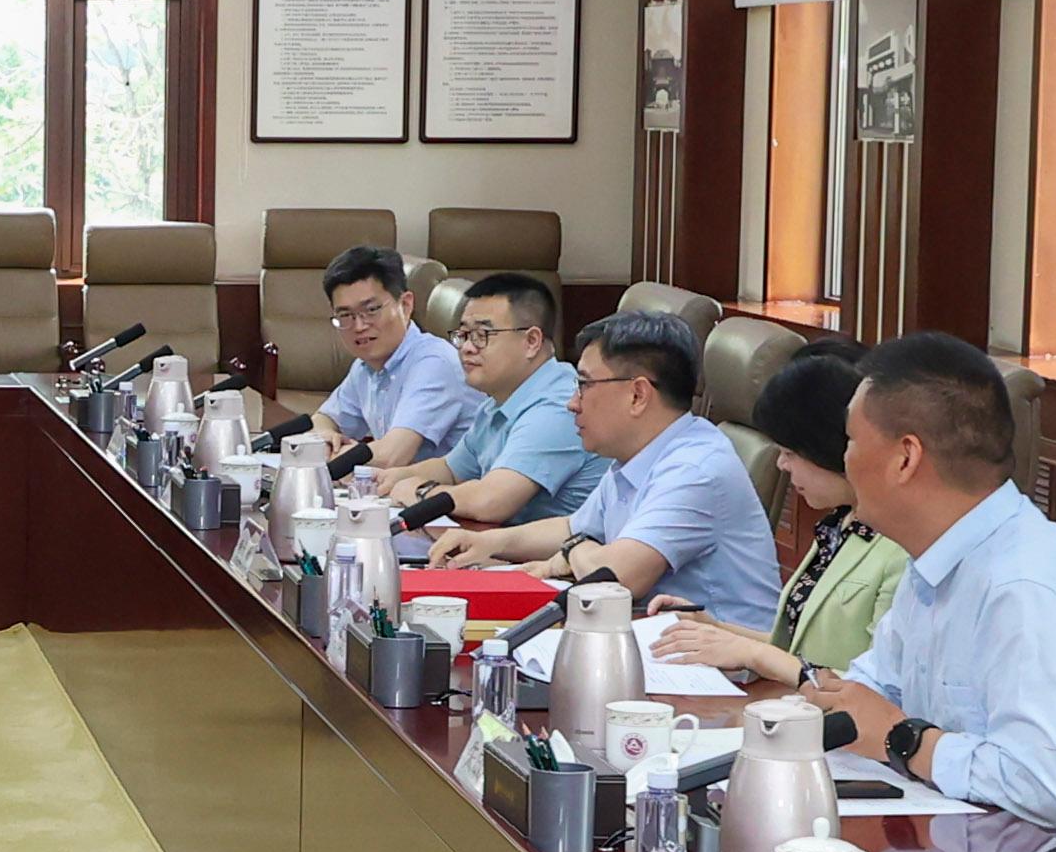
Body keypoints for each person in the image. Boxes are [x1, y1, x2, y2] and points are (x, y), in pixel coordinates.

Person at [783, 333, 1056, 852]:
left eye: (850, 440)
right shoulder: (933, 560)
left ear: (905, 458)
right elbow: (874, 690)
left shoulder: (1028, 589)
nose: (844, 459)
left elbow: (1043, 786)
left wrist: (902, 738)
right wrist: (824, 705)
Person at [434, 311, 779, 632]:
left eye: (584, 385)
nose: (572, 403)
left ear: (637, 395)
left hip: (723, 669)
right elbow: (574, 527)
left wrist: (572, 552)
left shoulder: (695, 469)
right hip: (654, 639)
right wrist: (488, 542)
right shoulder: (637, 453)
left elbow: (616, 577)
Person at [650, 343, 904, 679]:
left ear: (828, 447)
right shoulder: (839, 523)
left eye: (790, 452)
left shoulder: (902, 547)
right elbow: (796, 648)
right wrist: (713, 630)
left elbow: (876, 687)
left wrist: (751, 653)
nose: (782, 465)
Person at [378, 271, 598, 535]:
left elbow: (491, 502)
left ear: (531, 341)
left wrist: (420, 491)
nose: (467, 348)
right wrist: (392, 478)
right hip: (506, 546)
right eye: (463, 334)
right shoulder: (500, 400)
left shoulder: (560, 406)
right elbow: (451, 469)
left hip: (563, 555)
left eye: (482, 334)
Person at [300, 243, 476, 464]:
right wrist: (325, 437)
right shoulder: (366, 366)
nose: (359, 326)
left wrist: (331, 454)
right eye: (345, 315)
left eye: (371, 310)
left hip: (463, 485)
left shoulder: (435, 363)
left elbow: (391, 456)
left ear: (405, 305)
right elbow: (323, 419)